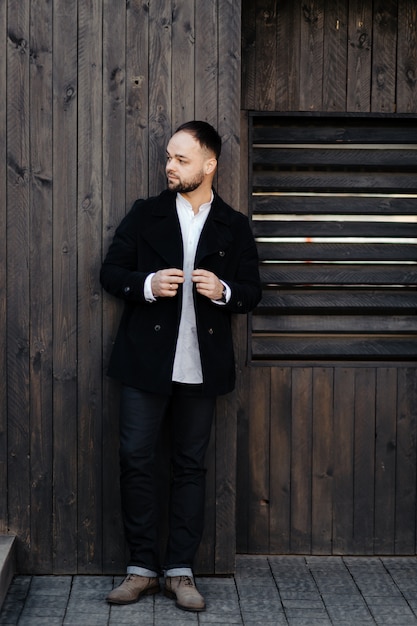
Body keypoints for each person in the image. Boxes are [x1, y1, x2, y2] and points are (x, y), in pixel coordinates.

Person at [100, 120, 262, 612]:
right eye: (168, 158)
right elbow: (111, 271)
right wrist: (147, 285)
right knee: (136, 459)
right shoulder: (145, 214)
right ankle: (141, 569)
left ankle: (180, 572)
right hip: (145, 363)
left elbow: (252, 293)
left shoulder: (234, 225)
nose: (170, 166)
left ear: (209, 165)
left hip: (202, 364)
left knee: (190, 467)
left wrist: (225, 292)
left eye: (181, 159)